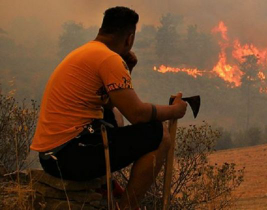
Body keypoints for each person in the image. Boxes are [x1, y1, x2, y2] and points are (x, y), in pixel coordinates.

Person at [30, 6, 187, 209]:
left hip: (51, 156)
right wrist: (174, 111)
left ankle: (106, 185)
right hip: (68, 157)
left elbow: (112, 103)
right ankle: (127, 206)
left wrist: (127, 69)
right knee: (159, 134)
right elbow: (137, 114)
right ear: (129, 38)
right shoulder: (108, 58)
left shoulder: (89, 51)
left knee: (112, 113)